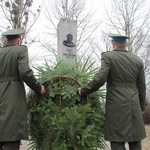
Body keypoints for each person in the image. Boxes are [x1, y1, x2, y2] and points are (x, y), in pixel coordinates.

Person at [77, 34, 146, 150]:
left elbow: (100, 78)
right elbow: (141, 86)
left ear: (113, 44)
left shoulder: (108, 57)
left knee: (117, 141)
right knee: (135, 141)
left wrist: (84, 90)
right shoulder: (137, 60)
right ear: (126, 44)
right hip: (134, 104)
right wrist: (142, 106)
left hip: (116, 104)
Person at [0, 28, 45, 150]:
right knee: (12, 135)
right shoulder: (20, 50)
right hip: (12, 97)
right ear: (18, 41)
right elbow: (25, 72)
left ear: (5, 40)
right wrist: (38, 87)